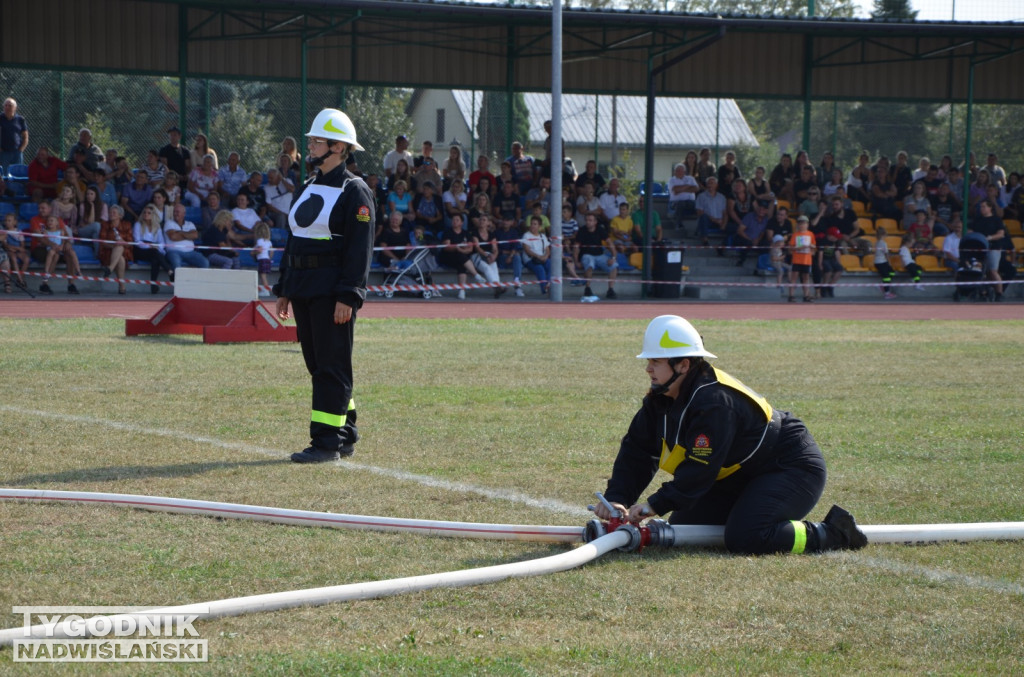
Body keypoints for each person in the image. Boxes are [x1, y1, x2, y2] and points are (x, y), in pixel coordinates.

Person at [593, 315, 867, 555]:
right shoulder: (660, 398)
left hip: (790, 466)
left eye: (655, 361)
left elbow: (700, 469)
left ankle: (834, 533)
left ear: (683, 366)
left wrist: (655, 504)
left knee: (747, 536)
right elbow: (638, 451)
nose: (648, 369)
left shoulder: (713, 402)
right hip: (738, 474)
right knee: (684, 530)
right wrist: (618, 497)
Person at [273, 108, 375, 464]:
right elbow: (295, 239)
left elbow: (359, 251)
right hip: (303, 288)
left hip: (332, 291)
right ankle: (344, 432)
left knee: (331, 366)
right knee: (319, 364)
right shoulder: (309, 185)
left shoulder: (355, 192)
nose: (311, 145)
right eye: (313, 139)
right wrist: (284, 287)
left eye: (317, 140)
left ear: (337, 147)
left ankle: (327, 442)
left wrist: (349, 295)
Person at [575, 212, 618, 300]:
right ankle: (587, 288)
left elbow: (610, 243)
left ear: (595, 222)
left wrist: (613, 258)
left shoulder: (600, 229)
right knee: (589, 263)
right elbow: (576, 247)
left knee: (614, 266)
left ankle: (610, 289)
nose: (588, 222)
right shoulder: (582, 230)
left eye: (590, 220)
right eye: (586, 220)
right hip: (586, 255)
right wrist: (576, 261)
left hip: (600, 255)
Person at [133, 204, 173, 294]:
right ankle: (169, 271)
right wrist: (150, 246)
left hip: (153, 250)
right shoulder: (138, 225)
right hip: (140, 250)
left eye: (149, 213)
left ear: (153, 215)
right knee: (154, 253)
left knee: (155, 259)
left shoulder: (157, 227)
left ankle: (153, 285)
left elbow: (162, 243)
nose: (146, 214)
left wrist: (156, 247)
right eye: (144, 212)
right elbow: (137, 242)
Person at [164, 202, 210, 272]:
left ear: (184, 214)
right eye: (174, 212)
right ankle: (177, 282)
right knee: (176, 264)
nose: (175, 214)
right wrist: (188, 235)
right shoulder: (169, 223)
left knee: (205, 262)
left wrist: (180, 232)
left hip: (190, 252)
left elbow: (195, 235)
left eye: (178, 212)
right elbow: (173, 237)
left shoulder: (190, 224)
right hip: (174, 252)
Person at [98, 205, 133, 294]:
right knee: (120, 255)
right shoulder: (105, 224)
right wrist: (114, 245)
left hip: (125, 252)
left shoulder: (127, 225)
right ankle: (121, 286)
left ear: (120, 216)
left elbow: (130, 243)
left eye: (114, 213)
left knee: (120, 248)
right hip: (107, 252)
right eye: (110, 212)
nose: (111, 214)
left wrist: (123, 242)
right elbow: (102, 241)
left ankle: (110, 268)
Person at [788, 215, 815, 303]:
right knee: (794, 277)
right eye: (800, 223)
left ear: (807, 224)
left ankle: (806, 295)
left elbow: (814, 247)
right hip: (797, 259)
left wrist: (811, 246)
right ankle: (791, 295)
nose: (802, 225)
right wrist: (799, 248)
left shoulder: (810, 234)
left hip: (807, 260)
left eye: (803, 223)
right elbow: (791, 248)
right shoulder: (795, 235)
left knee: (806, 278)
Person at [0, 97, 29, 172]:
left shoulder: (20, 119)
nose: (7, 107)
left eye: (10, 105)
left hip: (17, 153)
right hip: (3, 153)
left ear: (15, 107)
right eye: (5, 105)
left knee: (17, 174)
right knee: (4, 175)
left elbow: (25, 137)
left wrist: (21, 150)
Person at [873, 225, 897, 299]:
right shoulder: (883, 243)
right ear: (884, 234)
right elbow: (886, 254)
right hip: (881, 262)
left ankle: (882, 285)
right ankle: (887, 293)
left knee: (891, 272)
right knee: (887, 277)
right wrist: (889, 262)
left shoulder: (876, 242)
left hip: (878, 262)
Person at [251, 222, 274, 297]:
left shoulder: (259, 241)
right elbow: (271, 252)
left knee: (263, 276)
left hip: (262, 260)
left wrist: (253, 252)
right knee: (263, 275)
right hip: (267, 259)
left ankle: (265, 290)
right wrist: (269, 258)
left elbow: (259, 250)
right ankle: (264, 289)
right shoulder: (269, 241)